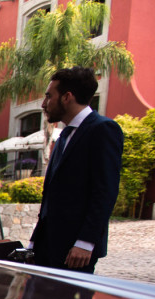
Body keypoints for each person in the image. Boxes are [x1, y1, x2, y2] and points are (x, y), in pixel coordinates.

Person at [31, 66, 123, 273]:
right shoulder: (64, 135)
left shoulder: (102, 130)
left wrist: (85, 242)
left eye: (49, 96)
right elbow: (52, 195)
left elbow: (105, 191)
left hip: (75, 252)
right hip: (48, 246)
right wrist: (36, 240)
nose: (44, 104)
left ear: (67, 97)